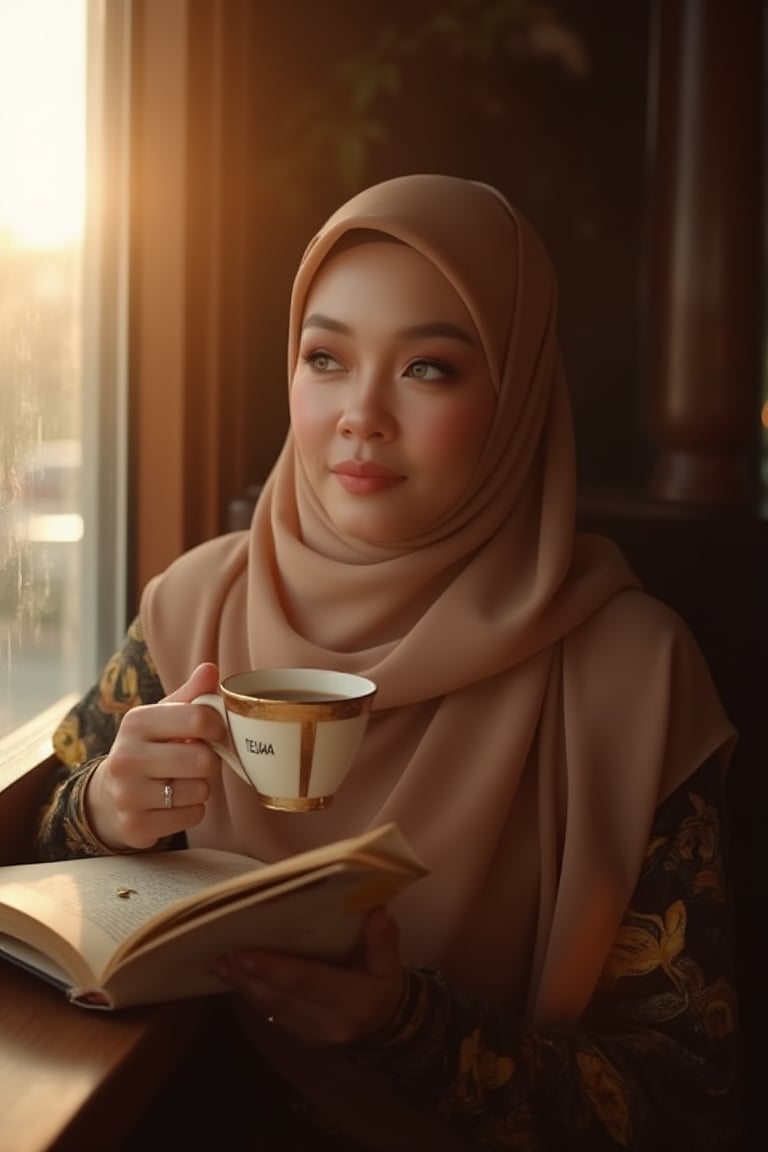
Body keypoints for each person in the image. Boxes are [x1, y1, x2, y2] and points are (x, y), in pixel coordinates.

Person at [35, 174, 743, 1150]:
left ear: (519, 395)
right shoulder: (194, 605)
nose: (360, 414)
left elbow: (685, 1102)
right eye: (325, 357)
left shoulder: (633, 677)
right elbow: (35, 865)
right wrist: (102, 811)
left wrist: (406, 1028)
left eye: (430, 370)